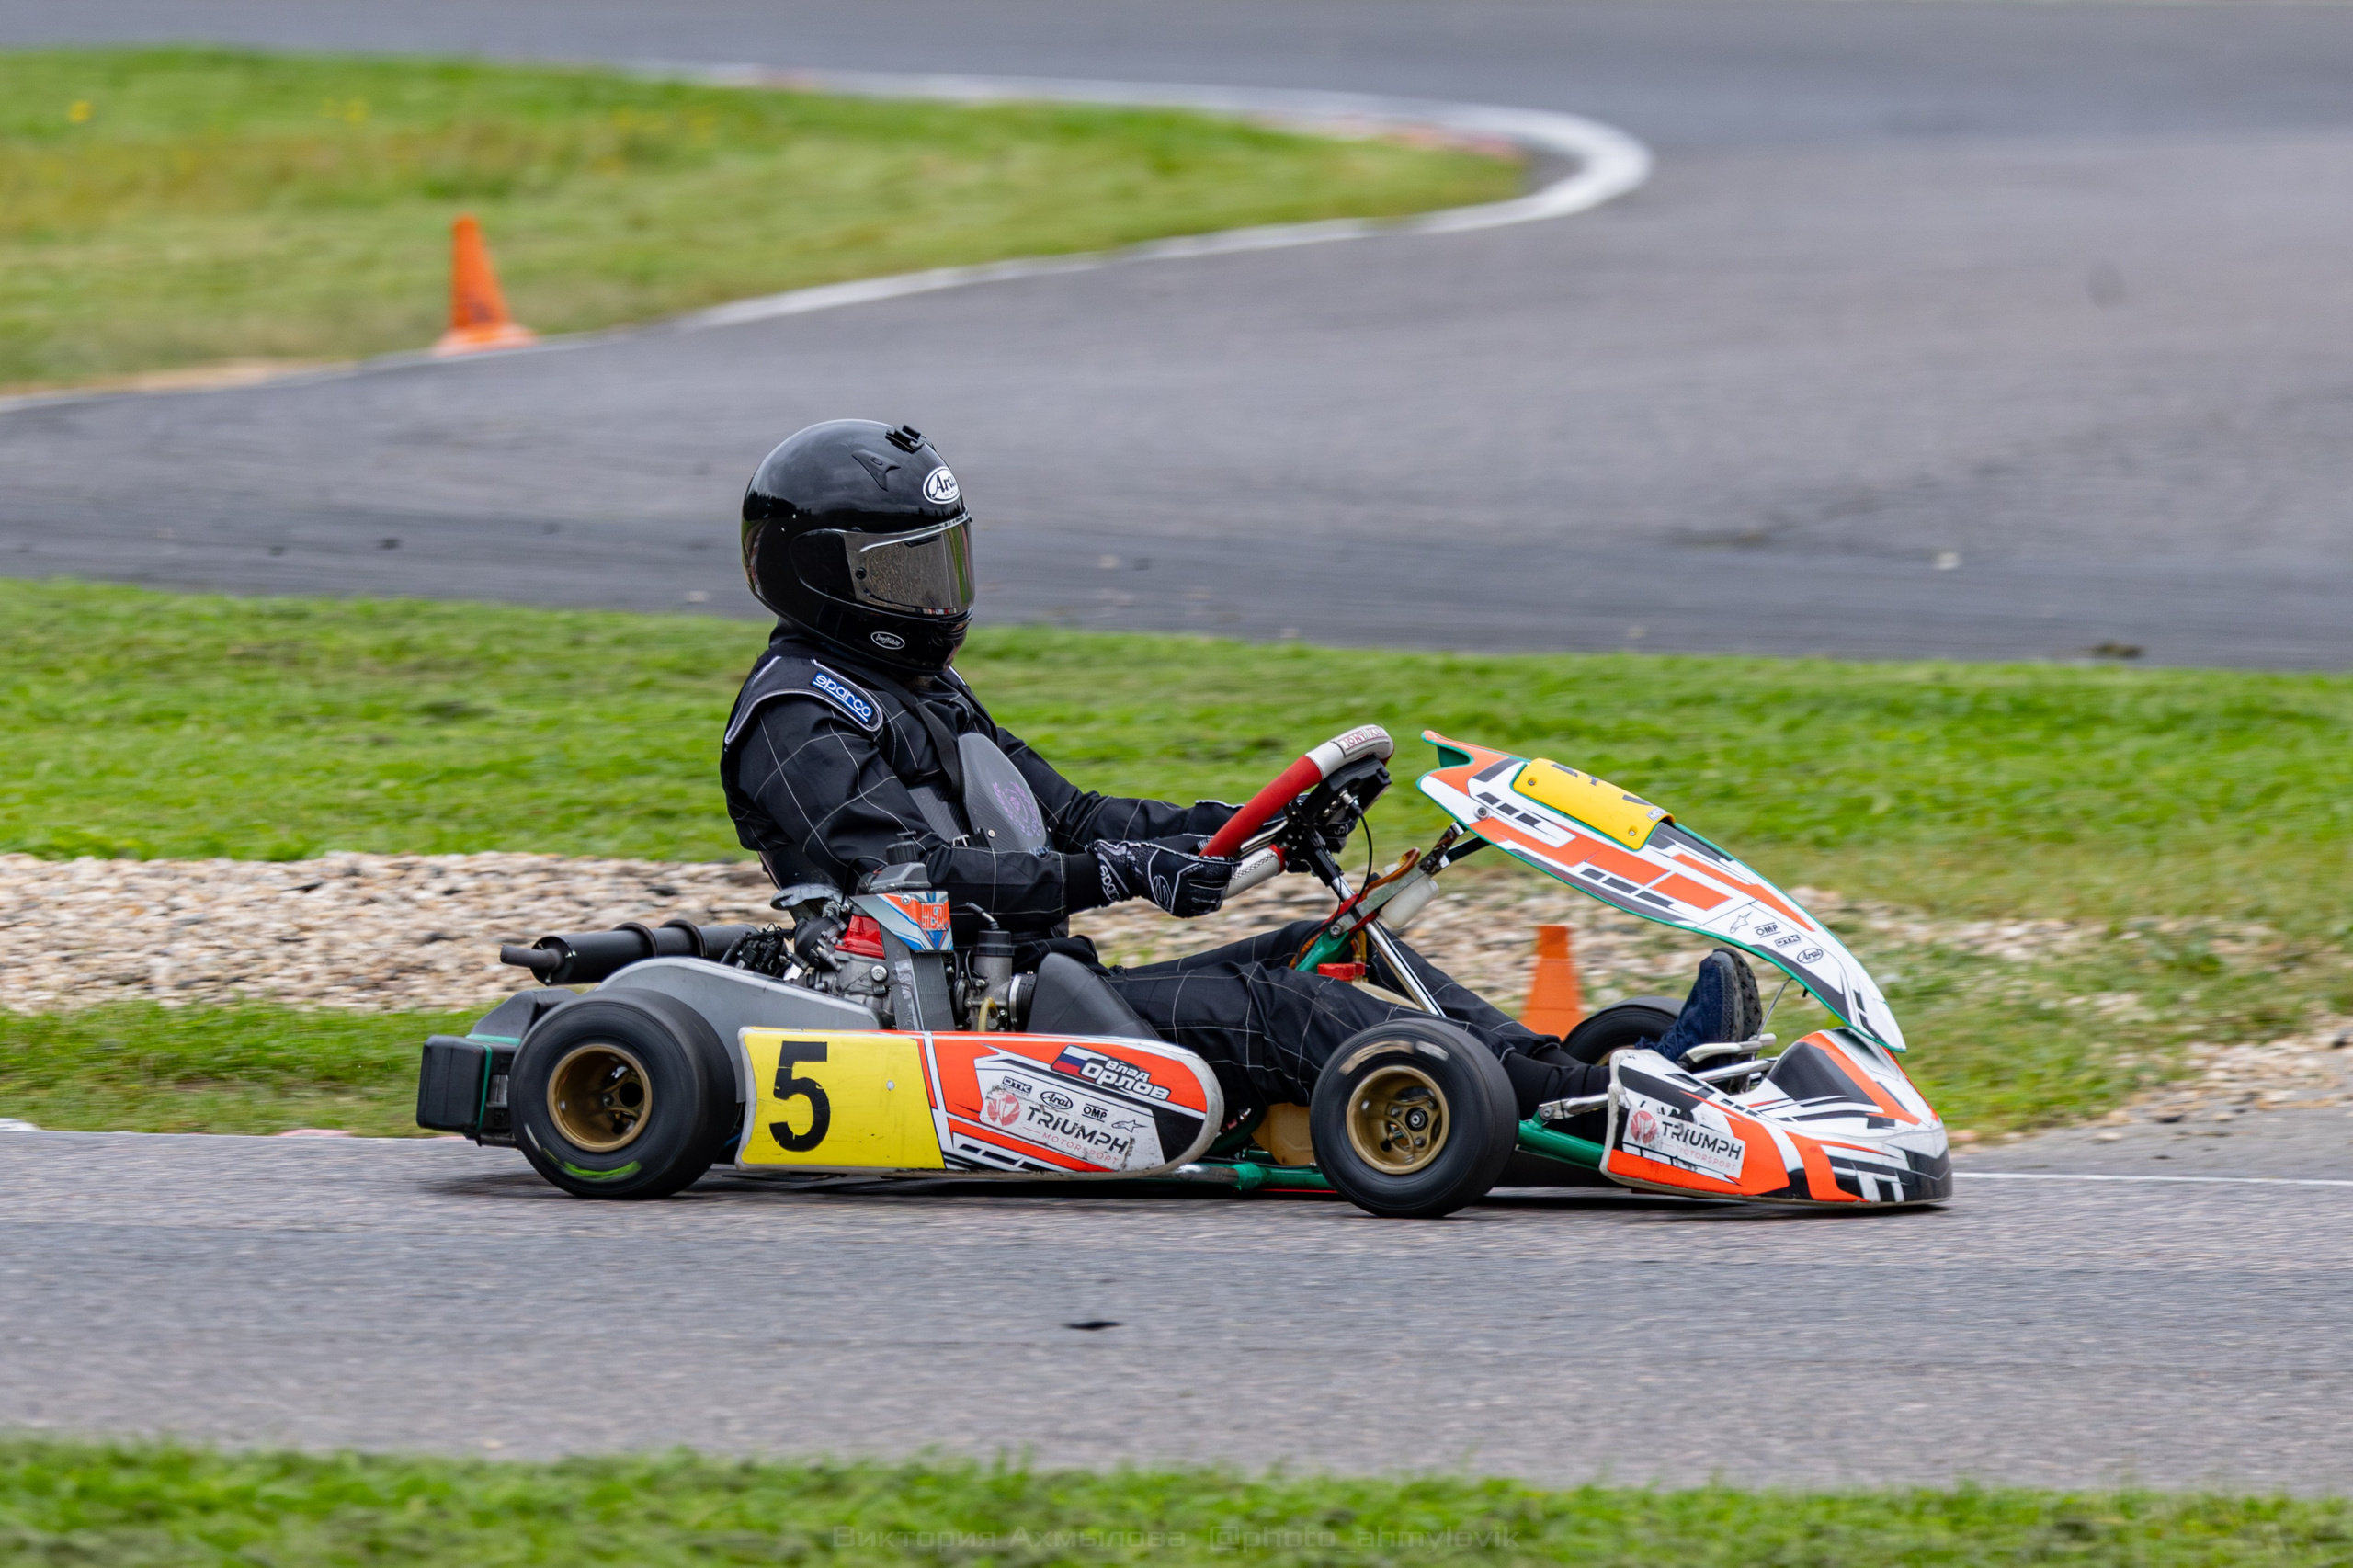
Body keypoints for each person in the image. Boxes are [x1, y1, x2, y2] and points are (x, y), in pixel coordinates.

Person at [721, 419, 1760, 1123]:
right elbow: (915, 878)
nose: (934, 595)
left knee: (1321, 944)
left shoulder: (920, 692)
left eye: (939, 562)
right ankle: (1585, 1101)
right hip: (955, 1029)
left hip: (1038, 989)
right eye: (900, 572)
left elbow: (1074, 815)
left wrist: (1240, 824)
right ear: (820, 574)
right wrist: (1126, 874)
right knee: (1277, 1010)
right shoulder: (795, 720)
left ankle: (1586, 1077)